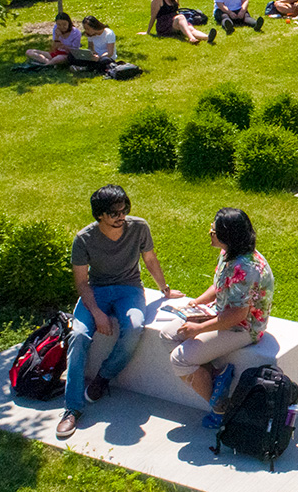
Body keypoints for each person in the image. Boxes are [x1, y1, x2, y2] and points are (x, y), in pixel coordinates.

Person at [57, 185, 184, 440]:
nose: (121, 216)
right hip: (97, 291)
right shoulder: (84, 239)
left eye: (124, 210)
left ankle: (103, 377)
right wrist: (96, 313)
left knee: (135, 326)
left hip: (129, 289)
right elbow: (82, 282)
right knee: (79, 336)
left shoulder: (139, 227)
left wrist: (165, 289)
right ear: (100, 215)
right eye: (114, 212)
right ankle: (72, 408)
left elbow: (149, 259)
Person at [166, 207, 275, 421]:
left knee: (179, 360)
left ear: (227, 236)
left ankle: (221, 408)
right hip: (223, 312)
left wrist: (198, 328)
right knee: (168, 335)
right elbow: (219, 285)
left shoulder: (246, 268)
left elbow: (238, 315)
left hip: (243, 327)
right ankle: (217, 376)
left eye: (214, 229)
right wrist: (196, 303)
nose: (210, 232)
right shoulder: (228, 252)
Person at [143, 0, 214, 44]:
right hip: (163, 25)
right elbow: (153, 16)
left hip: (175, 21)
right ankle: (191, 38)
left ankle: (207, 37)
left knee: (190, 28)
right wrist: (148, 32)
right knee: (181, 17)